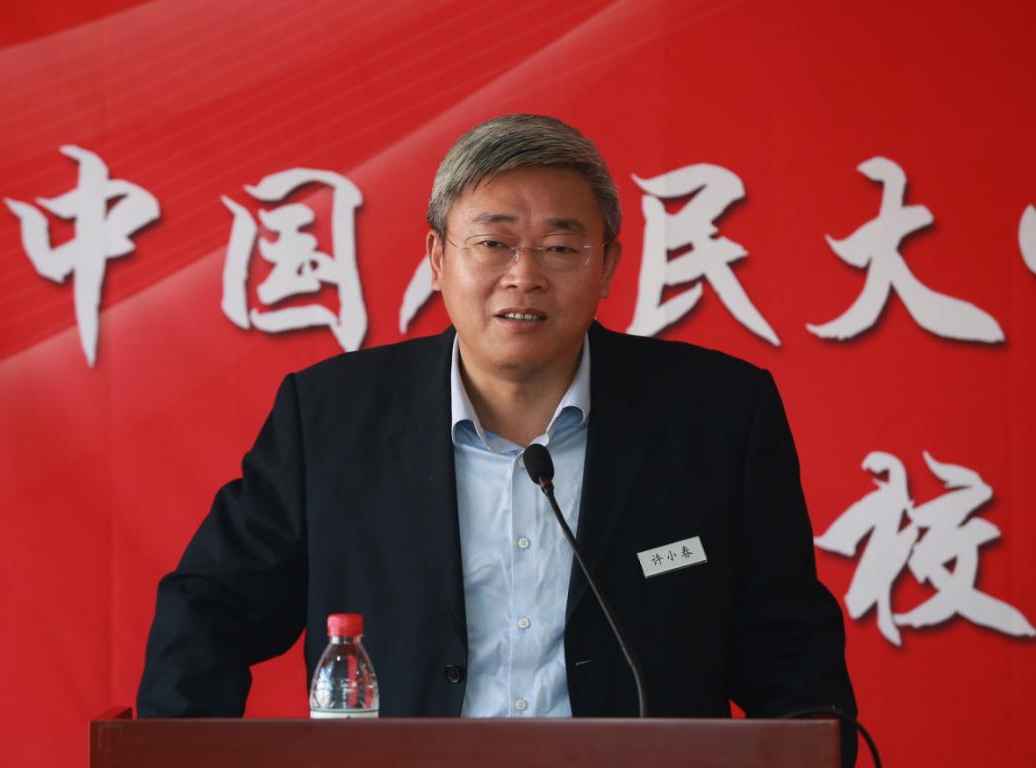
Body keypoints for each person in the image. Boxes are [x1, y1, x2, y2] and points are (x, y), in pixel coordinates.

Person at [138, 114, 857, 761]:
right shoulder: (331, 417)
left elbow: (788, 648)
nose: (524, 275)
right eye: (493, 243)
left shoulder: (717, 416)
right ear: (437, 258)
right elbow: (210, 610)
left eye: (560, 247)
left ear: (608, 265)